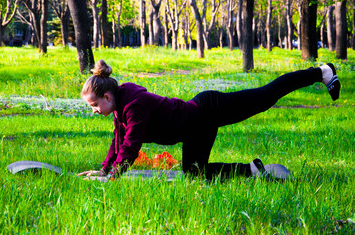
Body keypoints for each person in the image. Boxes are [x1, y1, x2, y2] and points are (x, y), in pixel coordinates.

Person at [78, 60, 340, 181]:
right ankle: (251, 170)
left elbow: (131, 146)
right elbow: (118, 141)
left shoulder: (134, 105)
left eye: (94, 105)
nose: (93, 110)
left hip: (207, 110)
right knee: (194, 174)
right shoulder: (120, 108)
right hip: (195, 128)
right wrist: (104, 169)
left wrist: (113, 176)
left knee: (266, 97)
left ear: (108, 96)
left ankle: (320, 72)